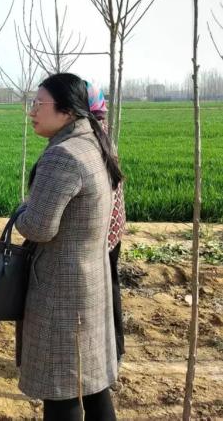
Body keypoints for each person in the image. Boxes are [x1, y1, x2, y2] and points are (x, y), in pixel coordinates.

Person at [14, 73, 123, 420]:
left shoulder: (62, 155)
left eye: (38, 103)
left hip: (61, 291)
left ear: (68, 110)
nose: (32, 111)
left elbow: (38, 228)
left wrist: (21, 211)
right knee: (91, 384)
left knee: (61, 390)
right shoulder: (92, 143)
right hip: (89, 282)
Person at [86, 81, 127, 361]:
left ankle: (109, 351)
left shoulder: (87, 140)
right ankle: (115, 349)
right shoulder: (103, 133)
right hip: (112, 228)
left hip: (99, 230)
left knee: (103, 291)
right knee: (109, 286)